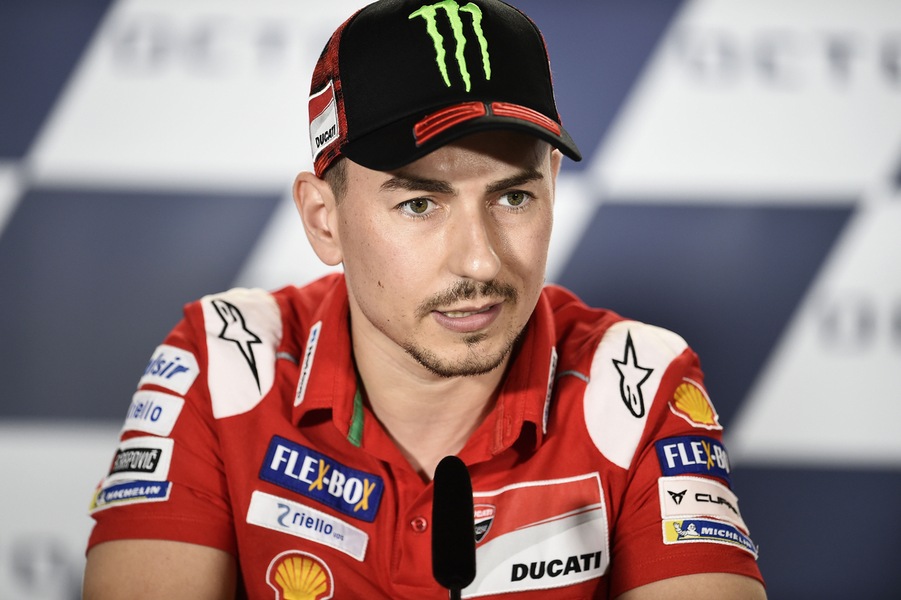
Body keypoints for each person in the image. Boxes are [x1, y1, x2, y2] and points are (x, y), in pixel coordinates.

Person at [82, 1, 766, 598]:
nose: (480, 260)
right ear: (324, 220)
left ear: (553, 187)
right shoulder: (226, 363)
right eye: (419, 204)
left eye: (514, 196)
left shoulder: (636, 381)